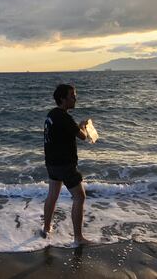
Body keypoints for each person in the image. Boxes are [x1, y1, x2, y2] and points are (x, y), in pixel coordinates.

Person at [42, 84, 92, 245]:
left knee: (52, 195)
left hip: (52, 163)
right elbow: (83, 136)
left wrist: (77, 126)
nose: (75, 98)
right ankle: (78, 238)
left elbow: (64, 133)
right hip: (65, 164)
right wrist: (83, 125)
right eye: (72, 96)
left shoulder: (51, 115)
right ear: (63, 99)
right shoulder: (64, 117)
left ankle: (46, 228)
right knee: (79, 197)